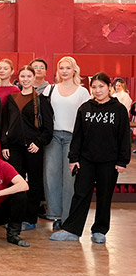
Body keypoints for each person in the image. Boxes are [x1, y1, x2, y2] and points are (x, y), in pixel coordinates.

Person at [50, 73, 131, 244]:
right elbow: (78, 136)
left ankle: (100, 230)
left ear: (109, 87)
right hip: (86, 160)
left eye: (101, 86)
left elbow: (124, 136)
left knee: (104, 196)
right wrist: (73, 158)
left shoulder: (119, 110)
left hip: (109, 161)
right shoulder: (85, 108)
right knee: (80, 194)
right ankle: (72, 229)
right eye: (94, 87)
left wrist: (122, 160)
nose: (97, 90)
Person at [2, 65, 54, 231]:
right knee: (14, 182)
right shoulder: (12, 98)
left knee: (34, 182)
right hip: (14, 147)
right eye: (23, 76)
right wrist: (4, 144)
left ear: (34, 78)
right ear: (19, 78)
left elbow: (48, 129)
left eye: (28, 76)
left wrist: (38, 142)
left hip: (33, 147)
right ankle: (15, 217)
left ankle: (30, 218)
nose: (25, 79)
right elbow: (5, 124)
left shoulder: (41, 100)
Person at [42, 56, 91, 230]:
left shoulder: (82, 92)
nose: (64, 71)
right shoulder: (50, 89)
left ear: (74, 70)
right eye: (61, 68)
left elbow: (87, 118)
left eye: (68, 68)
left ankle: (67, 217)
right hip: (53, 137)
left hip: (73, 138)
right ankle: (55, 215)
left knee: (70, 178)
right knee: (51, 176)